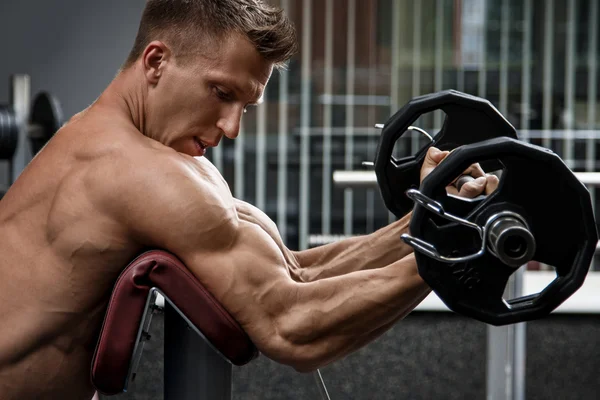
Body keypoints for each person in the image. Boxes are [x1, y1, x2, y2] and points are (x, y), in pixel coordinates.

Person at [0, 1, 498, 399]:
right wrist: (456, 253)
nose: (232, 127)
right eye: (220, 93)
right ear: (156, 62)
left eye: (245, 105)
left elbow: (296, 273)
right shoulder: (130, 172)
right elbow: (291, 327)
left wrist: (432, 216)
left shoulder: (148, 157)